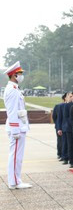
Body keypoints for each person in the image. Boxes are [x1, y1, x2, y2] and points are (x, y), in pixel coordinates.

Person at [4, 61, 32, 189]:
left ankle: (16, 179)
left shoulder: (15, 89)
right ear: (14, 75)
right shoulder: (12, 90)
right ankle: (14, 181)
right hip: (16, 128)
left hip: (20, 126)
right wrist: (15, 130)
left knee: (17, 155)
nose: (21, 76)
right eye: (20, 74)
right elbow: (12, 111)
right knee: (15, 155)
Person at [57, 92, 73, 167]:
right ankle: (65, 157)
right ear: (66, 97)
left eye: (72, 96)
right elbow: (58, 118)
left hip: (72, 128)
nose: (71, 98)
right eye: (70, 96)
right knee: (65, 143)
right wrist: (59, 128)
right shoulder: (61, 106)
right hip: (65, 127)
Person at [53, 93, 66, 162]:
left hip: (65, 126)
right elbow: (54, 117)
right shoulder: (58, 106)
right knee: (60, 141)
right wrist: (58, 125)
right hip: (59, 126)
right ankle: (60, 153)